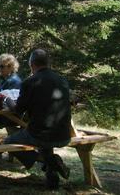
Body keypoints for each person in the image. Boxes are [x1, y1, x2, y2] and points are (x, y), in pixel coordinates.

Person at [4, 49, 72, 189]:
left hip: (40, 134)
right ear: (49, 63)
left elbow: (18, 111)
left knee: (8, 141)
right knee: (45, 143)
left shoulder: (30, 82)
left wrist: (8, 99)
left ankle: (50, 161)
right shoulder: (62, 80)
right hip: (65, 134)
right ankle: (52, 181)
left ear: (31, 64)